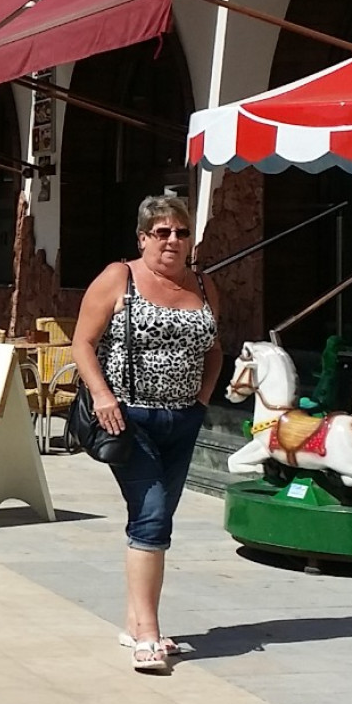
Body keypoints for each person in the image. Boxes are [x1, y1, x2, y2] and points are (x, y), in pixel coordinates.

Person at [70, 194, 220, 675]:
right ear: (142, 238)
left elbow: (214, 348)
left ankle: (136, 622)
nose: (173, 240)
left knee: (153, 518)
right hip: (130, 421)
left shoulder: (202, 284)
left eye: (181, 232)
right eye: (162, 232)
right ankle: (150, 636)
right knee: (153, 517)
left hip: (183, 419)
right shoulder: (121, 278)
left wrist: (201, 402)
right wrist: (102, 396)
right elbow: (82, 342)